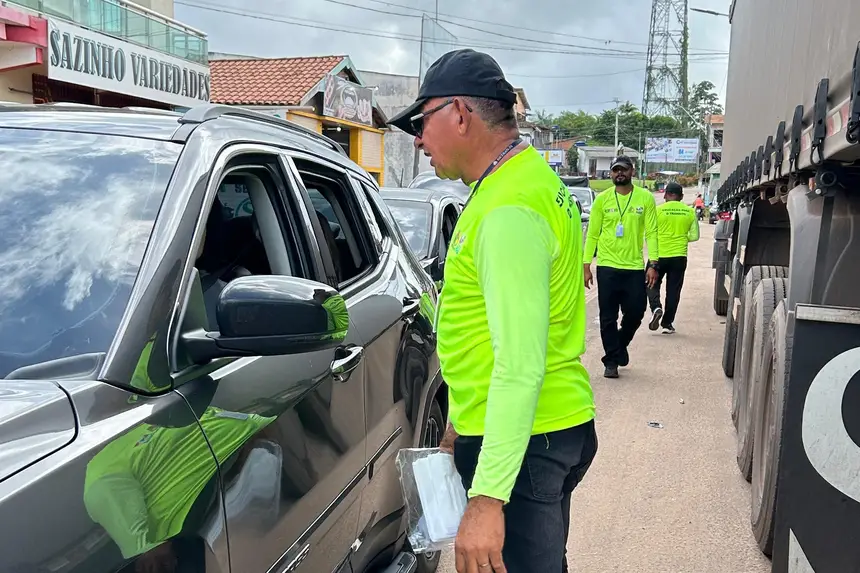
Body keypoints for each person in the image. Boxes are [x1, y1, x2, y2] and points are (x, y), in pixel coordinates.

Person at [388, 48, 597, 573]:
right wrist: (463, 420)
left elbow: (520, 363)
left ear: (459, 114)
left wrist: (487, 500)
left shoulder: (507, 209)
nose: (417, 139)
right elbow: (492, 330)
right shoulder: (526, 183)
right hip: (539, 429)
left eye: (421, 121)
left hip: (526, 445)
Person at [583, 156, 659, 379]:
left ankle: (618, 346)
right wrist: (586, 265)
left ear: (632, 172)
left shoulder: (645, 198)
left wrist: (653, 263)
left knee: (636, 312)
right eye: (615, 170)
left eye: (623, 170)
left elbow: (652, 233)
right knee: (608, 317)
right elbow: (592, 235)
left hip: (634, 267)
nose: (619, 174)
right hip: (607, 267)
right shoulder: (602, 200)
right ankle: (612, 362)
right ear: (611, 174)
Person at [646, 182, 700, 334]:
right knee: (673, 290)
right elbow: (695, 236)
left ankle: (656, 307)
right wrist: (681, 237)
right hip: (679, 256)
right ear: (681, 196)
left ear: (665, 195)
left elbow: (649, 233)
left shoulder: (657, 211)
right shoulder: (689, 212)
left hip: (658, 256)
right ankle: (667, 324)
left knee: (651, 283)